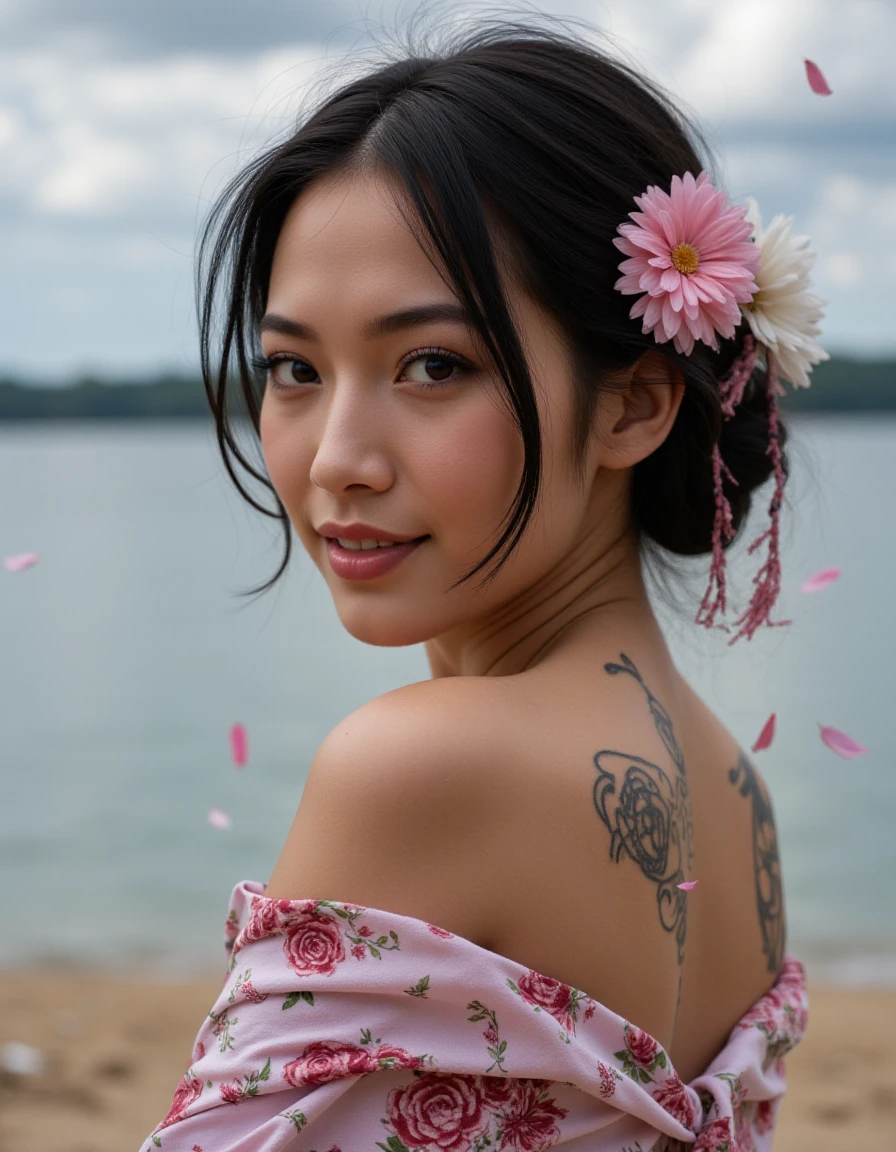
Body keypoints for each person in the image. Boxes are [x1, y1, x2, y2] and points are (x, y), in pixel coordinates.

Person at [145, 11, 821, 1150]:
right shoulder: (732, 792)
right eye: (294, 368)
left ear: (632, 403)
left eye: (430, 365)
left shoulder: (417, 762)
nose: (337, 459)